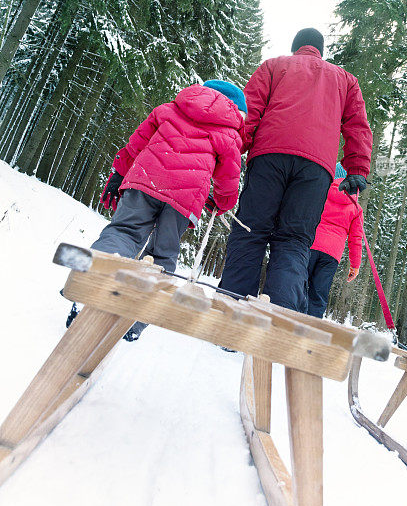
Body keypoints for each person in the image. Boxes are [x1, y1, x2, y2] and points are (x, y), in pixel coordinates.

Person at [66, 80, 247, 340]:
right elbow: (228, 178)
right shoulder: (229, 133)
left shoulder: (169, 109)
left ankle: (91, 285)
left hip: (145, 179)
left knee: (124, 232)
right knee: (162, 254)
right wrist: (222, 202)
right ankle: (134, 320)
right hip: (184, 199)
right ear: (236, 109)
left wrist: (119, 171)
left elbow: (137, 142)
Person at [218, 27, 372, 312]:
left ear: (295, 47)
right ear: (321, 51)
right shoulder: (345, 80)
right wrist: (356, 168)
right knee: (295, 240)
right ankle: (278, 316)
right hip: (316, 170)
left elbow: (251, 112)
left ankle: (232, 310)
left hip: (269, 156)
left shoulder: (274, 66)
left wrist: (234, 150)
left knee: (250, 230)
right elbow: (357, 124)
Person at [306, 164, 364, 318]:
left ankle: (288, 320)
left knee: (300, 284)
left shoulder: (321, 193)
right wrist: (355, 265)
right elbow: (356, 239)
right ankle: (310, 329)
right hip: (332, 254)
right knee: (318, 293)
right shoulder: (356, 208)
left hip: (311, 244)